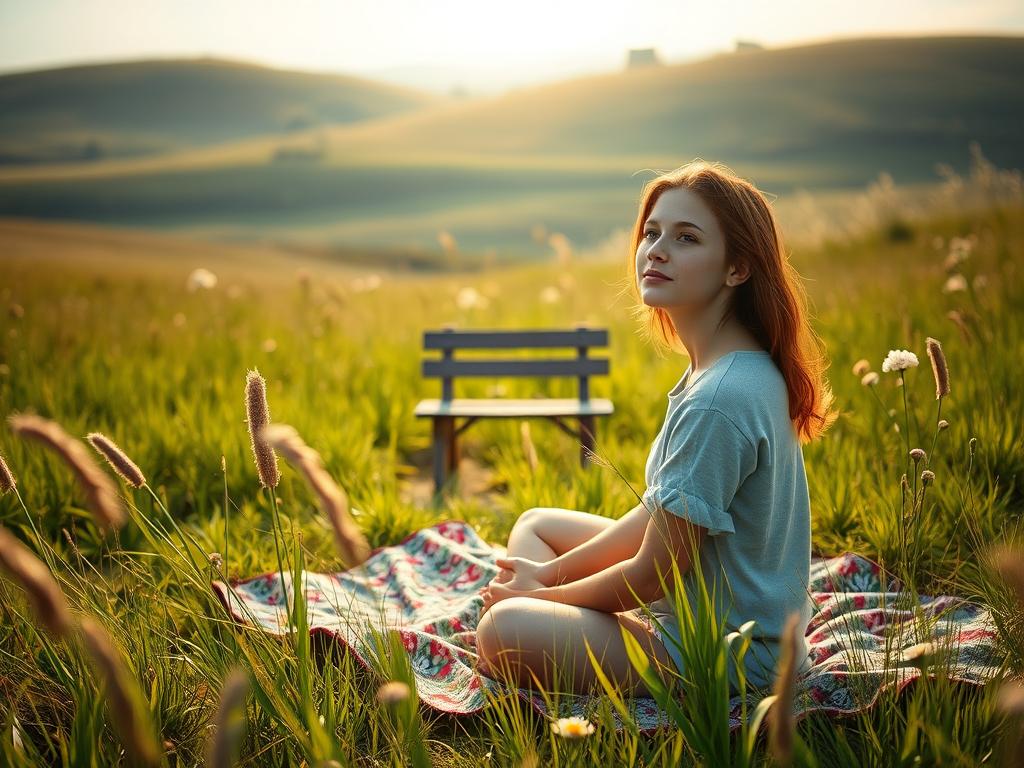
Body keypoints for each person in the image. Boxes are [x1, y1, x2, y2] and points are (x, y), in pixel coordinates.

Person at [473, 159, 837, 698]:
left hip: (727, 653)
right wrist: (548, 578)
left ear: (737, 268)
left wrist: (539, 599)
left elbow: (652, 575)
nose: (657, 250)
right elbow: (656, 514)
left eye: (686, 238)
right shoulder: (723, 367)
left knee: (501, 629)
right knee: (537, 523)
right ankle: (542, 599)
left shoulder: (720, 398)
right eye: (651, 233)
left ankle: (534, 611)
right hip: (691, 602)